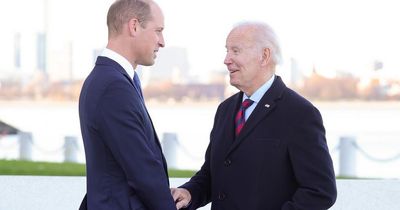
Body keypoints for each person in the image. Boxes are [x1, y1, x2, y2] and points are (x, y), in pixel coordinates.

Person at [171, 21, 337, 210]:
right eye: (226, 51)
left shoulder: (300, 113)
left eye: (235, 51)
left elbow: (320, 191)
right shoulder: (225, 110)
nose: (226, 59)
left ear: (264, 56)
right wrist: (189, 193)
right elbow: (212, 174)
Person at [78, 0, 177, 209]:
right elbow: (142, 170)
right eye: (158, 31)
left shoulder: (114, 79)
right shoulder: (113, 86)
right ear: (134, 26)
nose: (162, 42)